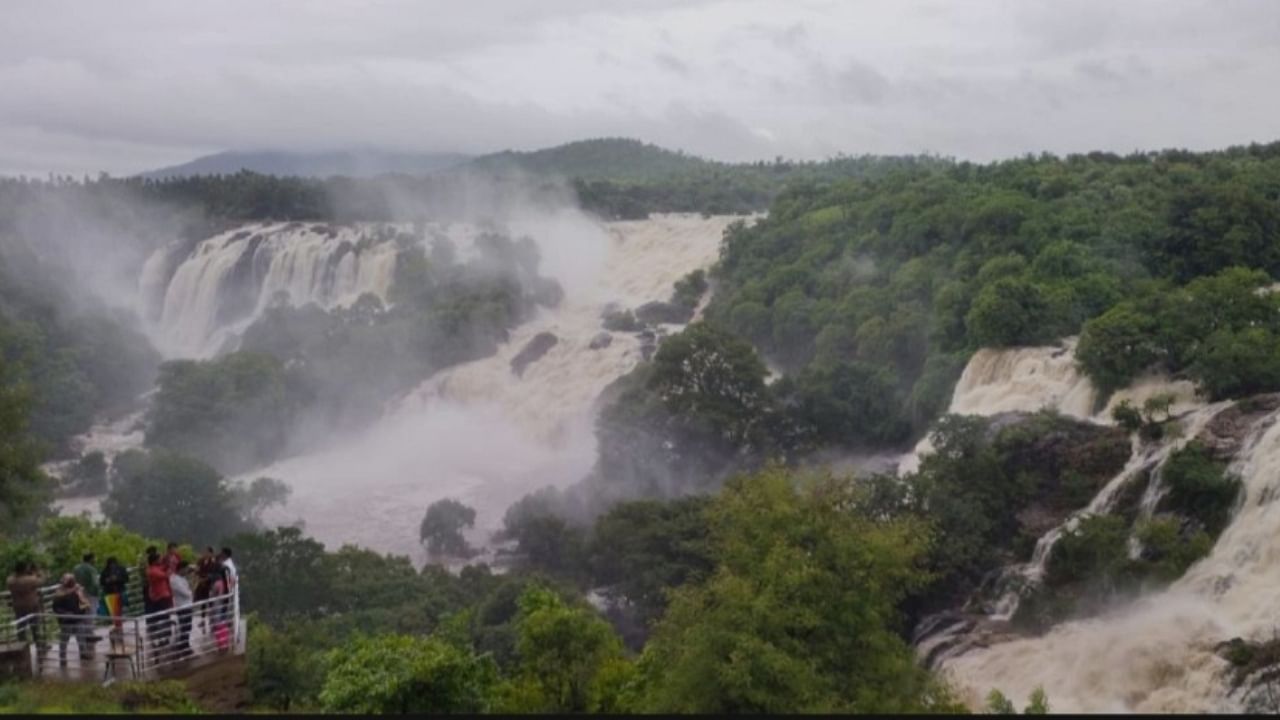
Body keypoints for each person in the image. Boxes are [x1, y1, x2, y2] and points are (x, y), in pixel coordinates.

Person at [50, 574, 92, 669]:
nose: (72, 582)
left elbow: (82, 602)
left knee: (81, 637)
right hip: (66, 620)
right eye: (69, 580)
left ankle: (83, 653)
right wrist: (64, 614)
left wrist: (84, 608)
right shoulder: (59, 592)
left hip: (77, 618)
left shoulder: (77, 590)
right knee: (64, 640)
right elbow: (56, 607)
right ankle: (62, 658)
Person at [6, 561, 46, 651]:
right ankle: (40, 648)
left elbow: (13, 577)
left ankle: (23, 649)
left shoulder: (10, 580)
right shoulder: (30, 580)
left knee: (21, 630)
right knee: (35, 628)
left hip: (18, 607)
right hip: (32, 607)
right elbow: (42, 581)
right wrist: (37, 571)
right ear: (24, 569)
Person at [144, 549, 173, 651]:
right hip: (160, 596)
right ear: (154, 561)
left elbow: (163, 568)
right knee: (163, 617)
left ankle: (164, 636)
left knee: (164, 617)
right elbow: (165, 575)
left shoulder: (153, 569)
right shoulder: (153, 571)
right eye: (159, 559)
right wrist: (169, 568)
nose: (160, 560)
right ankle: (162, 637)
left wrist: (167, 563)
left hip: (161, 596)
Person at [98, 556, 129, 646]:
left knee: (118, 615)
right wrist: (108, 581)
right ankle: (118, 633)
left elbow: (126, 579)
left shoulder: (121, 569)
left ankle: (119, 633)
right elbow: (102, 582)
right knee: (114, 616)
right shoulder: (105, 572)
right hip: (110, 595)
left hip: (120, 593)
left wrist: (117, 579)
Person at [170, 561, 194, 657]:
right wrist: (191, 590)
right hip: (182, 606)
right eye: (186, 569)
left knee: (187, 626)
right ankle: (183, 646)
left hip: (187, 605)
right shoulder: (174, 580)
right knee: (184, 626)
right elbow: (186, 593)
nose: (187, 571)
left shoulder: (182, 578)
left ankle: (185, 645)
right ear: (181, 569)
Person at [194, 547, 216, 633]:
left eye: (207, 552)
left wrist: (206, 579)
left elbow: (213, 573)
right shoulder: (201, 561)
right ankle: (203, 620)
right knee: (203, 603)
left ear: (211, 553)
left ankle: (211, 621)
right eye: (205, 552)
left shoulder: (213, 562)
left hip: (209, 584)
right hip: (201, 584)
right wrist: (199, 577)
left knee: (210, 603)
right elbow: (197, 570)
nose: (205, 554)